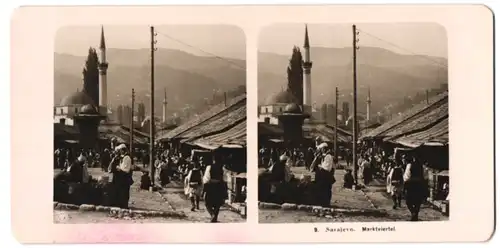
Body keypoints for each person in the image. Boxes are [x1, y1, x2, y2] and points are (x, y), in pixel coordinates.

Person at [203, 154, 227, 223]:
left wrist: (205, 188)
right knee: (218, 203)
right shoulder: (223, 168)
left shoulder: (209, 167)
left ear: (213, 160)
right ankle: (215, 218)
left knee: (207, 203)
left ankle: (212, 215)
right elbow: (225, 179)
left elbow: (206, 179)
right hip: (219, 187)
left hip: (211, 186)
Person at [403, 155, 428, 221]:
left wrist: (405, 185)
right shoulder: (423, 166)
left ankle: (413, 213)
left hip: (411, 185)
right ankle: (415, 215)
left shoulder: (409, 165)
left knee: (408, 202)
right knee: (418, 201)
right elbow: (425, 177)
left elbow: (406, 177)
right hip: (419, 185)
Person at [310, 143, 336, 207]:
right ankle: (323, 203)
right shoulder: (324, 156)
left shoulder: (328, 156)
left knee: (326, 190)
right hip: (324, 176)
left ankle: (326, 204)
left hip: (326, 176)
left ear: (324, 149)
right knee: (323, 190)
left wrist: (320, 166)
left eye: (321, 149)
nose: (321, 151)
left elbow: (326, 168)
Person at [113, 144, 133, 209]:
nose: (120, 152)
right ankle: (122, 205)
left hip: (125, 177)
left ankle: (125, 205)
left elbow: (126, 169)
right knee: (122, 192)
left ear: (123, 150)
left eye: (120, 150)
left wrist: (119, 168)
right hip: (122, 177)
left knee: (125, 192)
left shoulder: (127, 157)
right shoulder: (123, 157)